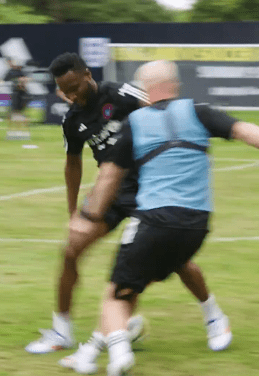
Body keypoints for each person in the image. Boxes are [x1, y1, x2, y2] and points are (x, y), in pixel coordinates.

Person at [25, 54, 230, 360]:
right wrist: (72, 213)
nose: (71, 96)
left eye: (74, 87)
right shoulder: (72, 120)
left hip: (150, 189)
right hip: (110, 193)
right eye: (64, 91)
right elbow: (73, 165)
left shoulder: (122, 95)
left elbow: (162, 115)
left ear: (87, 75)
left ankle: (213, 315)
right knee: (70, 250)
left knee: (177, 261)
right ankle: (61, 330)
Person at [64, 60, 259, 376]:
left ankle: (118, 353)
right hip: (197, 225)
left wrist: (88, 215)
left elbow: (109, 176)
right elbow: (247, 131)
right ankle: (93, 350)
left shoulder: (136, 123)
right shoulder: (200, 111)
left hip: (154, 220)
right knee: (145, 276)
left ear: (145, 89)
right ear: (177, 85)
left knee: (117, 291)